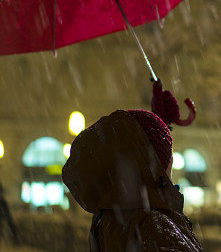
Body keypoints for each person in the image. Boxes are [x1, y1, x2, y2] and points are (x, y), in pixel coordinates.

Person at [62, 80, 201, 251]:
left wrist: (160, 128)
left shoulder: (112, 218)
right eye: (168, 154)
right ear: (154, 166)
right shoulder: (155, 228)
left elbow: (133, 144)